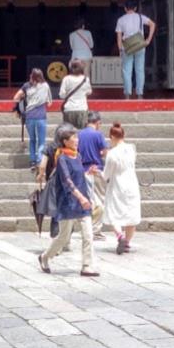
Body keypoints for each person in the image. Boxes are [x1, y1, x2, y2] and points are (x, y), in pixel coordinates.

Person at [39, 124, 99, 277]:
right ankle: (45, 257)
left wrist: (89, 173)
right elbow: (67, 181)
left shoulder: (77, 155)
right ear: (65, 141)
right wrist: (80, 197)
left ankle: (87, 266)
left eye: (77, 137)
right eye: (74, 138)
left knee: (88, 234)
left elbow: (78, 176)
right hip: (68, 202)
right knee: (63, 237)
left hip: (82, 201)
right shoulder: (62, 158)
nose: (77, 140)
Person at [101, 122, 141, 255]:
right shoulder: (132, 148)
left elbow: (106, 175)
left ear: (112, 136)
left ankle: (120, 236)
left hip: (117, 185)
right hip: (132, 183)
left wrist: (97, 172)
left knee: (113, 212)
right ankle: (127, 242)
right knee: (131, 213)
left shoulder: (112, 154)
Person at [115, 0, 155, 100]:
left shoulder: (121, 20)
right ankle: (139, 94)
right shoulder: (141, 17)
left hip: (127, 47)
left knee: (127, 71)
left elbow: (119, 37)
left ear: (125, 8)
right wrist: (148, 39)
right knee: (140, 70)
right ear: (135, 8)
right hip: (140, 46)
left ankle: (127, 94)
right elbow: (152, 24)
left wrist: (120, 49)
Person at [14, 68, 52, 169]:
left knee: (32, 140)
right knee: (42, 141)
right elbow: (49, 103)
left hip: (29, 116)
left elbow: (15, 98)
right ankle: (39, 160)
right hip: (41, 116)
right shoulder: (45, 86)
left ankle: (32, 162)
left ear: (32, 76)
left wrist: (24, 99)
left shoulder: (26, 86)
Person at [78, 111, 108, 236]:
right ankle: (95, 230)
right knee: (99, 200)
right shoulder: (98, 135)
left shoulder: (79, 134)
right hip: (96, 169)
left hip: (83, 170)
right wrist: (99, 154)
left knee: (88, 199)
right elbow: (105, 151)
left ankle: (87, 228)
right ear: (98, 122)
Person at [59, 59, 92, 130]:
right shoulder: (85, 79)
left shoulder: (66, 79)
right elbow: (89, 92)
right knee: (81, 132)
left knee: (68, 132)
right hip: (82, 108)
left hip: (69, 108)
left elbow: (62, 95)